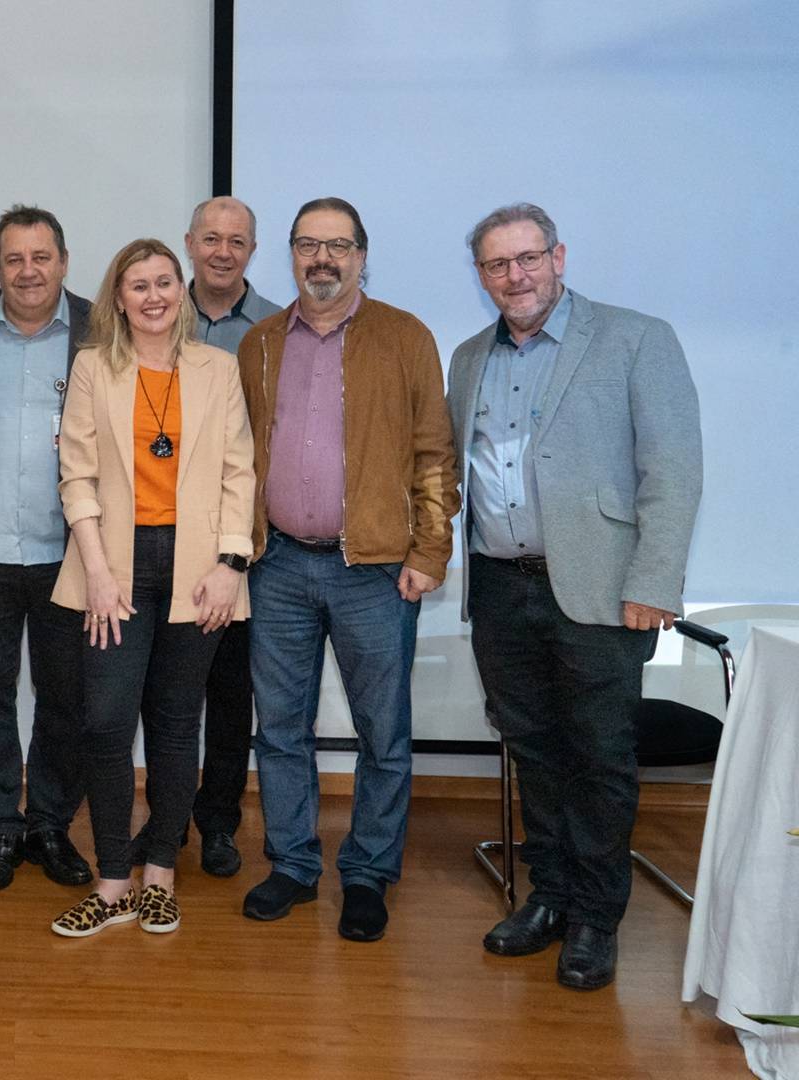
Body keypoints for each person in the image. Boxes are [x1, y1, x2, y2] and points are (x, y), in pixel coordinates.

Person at [450, 203, 702, 990]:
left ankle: (597, 917)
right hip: (500, 586)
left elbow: (674, 470)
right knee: (535, 752)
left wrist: (654, 583)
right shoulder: (467, 358)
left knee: (599, 758)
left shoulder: (635, 338)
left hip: (600, 592)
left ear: (558, 256)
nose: (514, 276)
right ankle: (550, 898)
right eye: (497, 265)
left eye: (527, 258)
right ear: (482, 275)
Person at [236, 197, 459, 943]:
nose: (322, 259)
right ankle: (294, 865)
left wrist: (430, 553)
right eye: (308, 245)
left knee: (383, 735)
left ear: (362, 254)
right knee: (281, 730)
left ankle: (367, 875)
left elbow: (434, 455)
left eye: (337, 245)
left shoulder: (405, 337)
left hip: (375, 570)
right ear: (291, 255)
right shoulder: (262, 342)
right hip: (279, 568)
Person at [47, 239, 256, 937]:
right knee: (105, 721)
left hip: (199, 571)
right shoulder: (90, 368)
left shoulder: (217, 369)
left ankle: (160, 874)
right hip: (111, 566)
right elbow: (75, 474)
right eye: (138, 285)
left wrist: (232, 564)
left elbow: (238, 472)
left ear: (181, 288)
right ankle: (111, 884)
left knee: (174, 725)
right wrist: (98, 571)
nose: (154, 295)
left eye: (165, 281)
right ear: (119, 297)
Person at [0, 206, 95, 892]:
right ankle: (0, 827)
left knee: (69, 701)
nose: (27, 271)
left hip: (73, 556)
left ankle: (51, 825)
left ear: (63, 261)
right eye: (13, 259)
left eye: (41, 257)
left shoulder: (101, 329)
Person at [181, 195, 282, 879]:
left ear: (252, 250)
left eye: (236, 241)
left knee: (230, 698)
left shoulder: (278, 329)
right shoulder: (149, 313)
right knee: (163, 696)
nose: (223, 251)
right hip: (160, 539)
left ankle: (218, 823)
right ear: (189, 242)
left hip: (245, 547)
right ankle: (162, 820)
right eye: (211, 238)